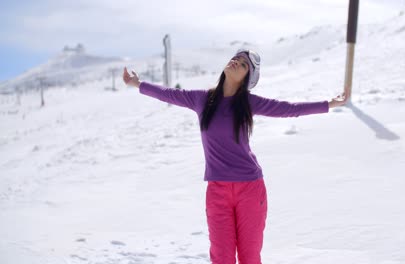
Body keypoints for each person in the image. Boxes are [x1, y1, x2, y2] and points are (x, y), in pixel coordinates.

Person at [123, 49, 347, 264]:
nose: (236, 62)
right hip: (217, 191)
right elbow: (169, 94)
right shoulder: (203, 99)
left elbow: (288, 108)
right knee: (222, 259)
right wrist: (137, 84)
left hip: (250, 189)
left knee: (250, 259)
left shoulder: (249, 103)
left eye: (243, 64)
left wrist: (329, 104)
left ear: (247, 78)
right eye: (235, 58)